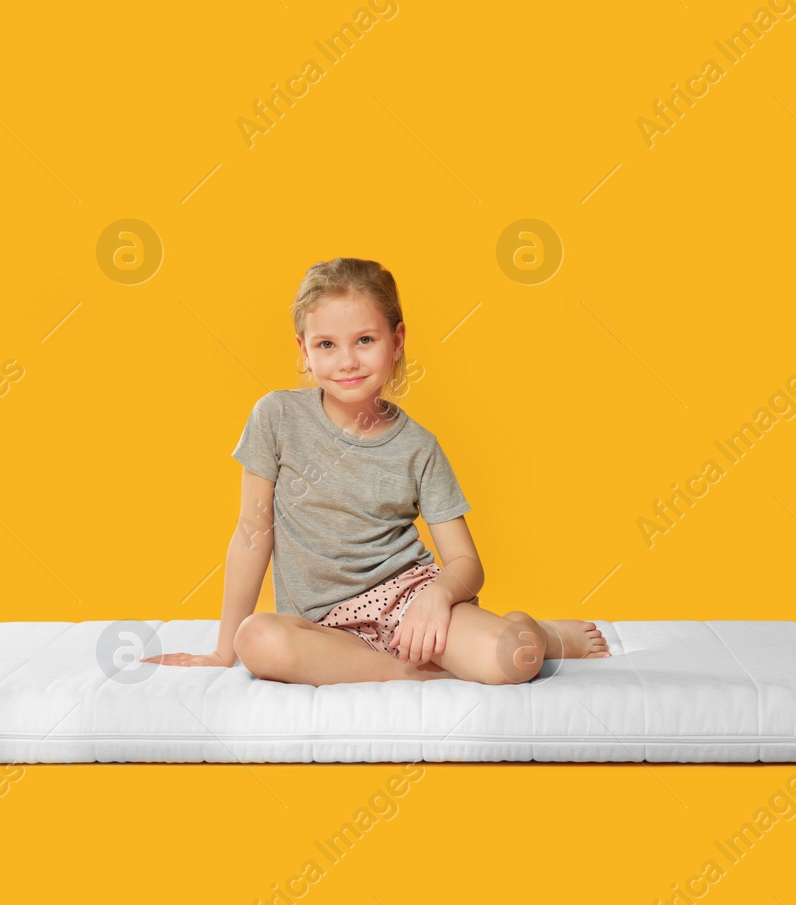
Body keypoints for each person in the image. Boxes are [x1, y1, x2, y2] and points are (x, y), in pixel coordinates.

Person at [142, 257, 609, 685]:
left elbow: (467, 564)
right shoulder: (276, 417)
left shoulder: (418, 447)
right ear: (303, 349)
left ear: (397, 341)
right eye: (327, 344)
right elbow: (251, 531)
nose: (347, 360)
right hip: (323, 629)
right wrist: (224, 654)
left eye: (365, 340)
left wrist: (437, 597)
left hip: (411, 606)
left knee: (515, 658)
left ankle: (542, 634)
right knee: (257, 639)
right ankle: (412, 674)